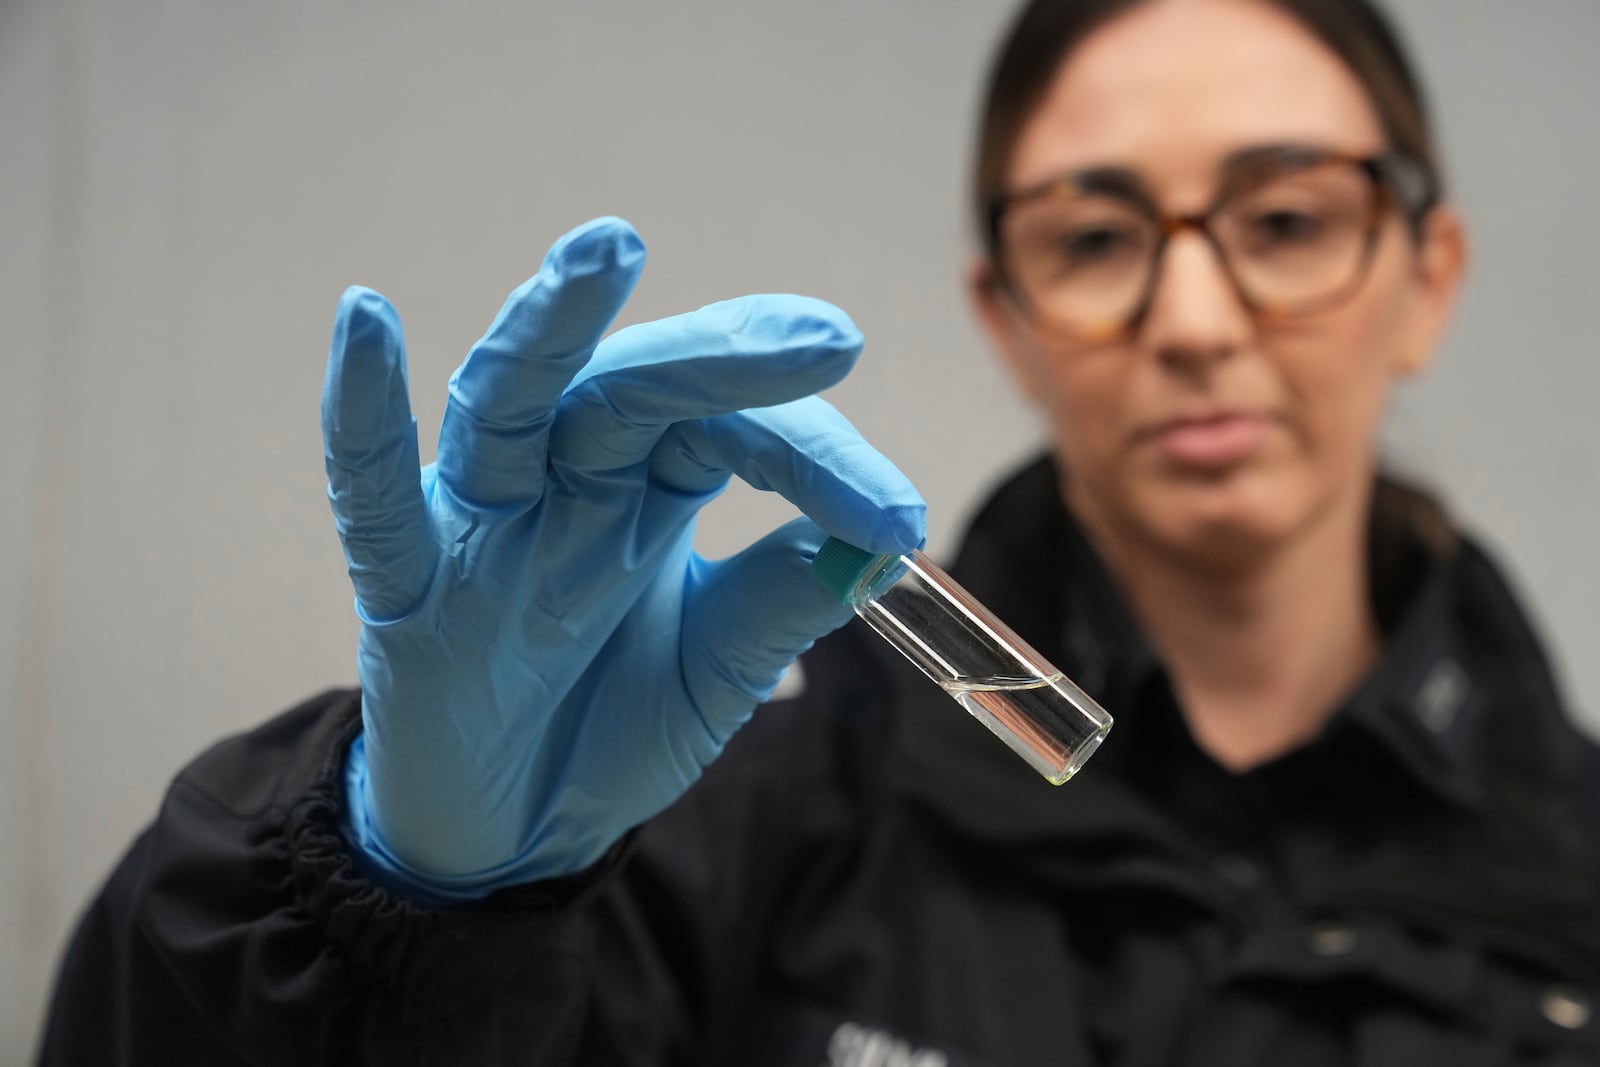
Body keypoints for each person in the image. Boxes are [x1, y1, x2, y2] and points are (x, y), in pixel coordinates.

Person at [37, 0, 1600, 1063]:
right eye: (1099, 237)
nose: (1194, 320)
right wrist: (398, 907)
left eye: (1286, 219)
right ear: (1007, 310)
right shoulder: (737, 839)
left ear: (1429, 272)